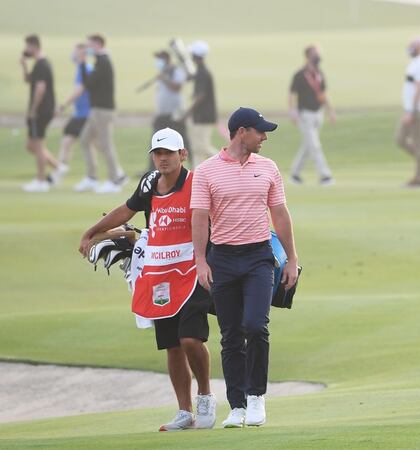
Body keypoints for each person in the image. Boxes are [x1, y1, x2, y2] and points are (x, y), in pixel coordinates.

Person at [77, 128, 216, 431]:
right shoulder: (149, 183)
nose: (162, 158)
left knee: (190, 338)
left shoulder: (197, 183)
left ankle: (205, 394)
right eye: (157, 153)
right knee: (172, 346)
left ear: (183, 154)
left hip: (193, 272)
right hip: (159, 273)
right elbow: (126, 210)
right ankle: (184, 410)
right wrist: (91, 231)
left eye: (168, 153)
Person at [191, 107, 299, 428]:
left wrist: (292, 258)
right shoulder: (206, 171)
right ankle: (236, 406)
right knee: (231, 335)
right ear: (241, 132)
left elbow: (279, 214)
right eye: (260, 132)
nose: (264, 137)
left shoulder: (267, 168)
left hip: (258, 258)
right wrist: (200, 260)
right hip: (222, 259)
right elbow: (199, 218)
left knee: (255, 325)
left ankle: (256, 397)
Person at [74, 33, 128, 194]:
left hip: (104, 110)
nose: (88, 48)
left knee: (106, 144)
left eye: (90, 44)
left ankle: (115, 180)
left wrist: (83, 63)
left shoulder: (103, 61)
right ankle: (92, 177)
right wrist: (84, 64)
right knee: (85, 140)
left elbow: (88, 84)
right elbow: (88, 83)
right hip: (95, 109)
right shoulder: (98, 61)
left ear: (98, 44)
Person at [288, 45, 335, 185]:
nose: (318, 57)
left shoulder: (319, 74)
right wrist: (292, 112)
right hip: (305, 114)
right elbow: (291, 94)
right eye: (315, 54)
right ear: (308, 56)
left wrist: (330, 111)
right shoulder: (300, 75)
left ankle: (295, 174)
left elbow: (324, 94)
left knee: (308, 145)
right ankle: (325, 175)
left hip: (318, 114)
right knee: (314, 145)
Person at [20, 34, 59, 193]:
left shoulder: (43, 64)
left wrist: (34, 109)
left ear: (34, 46)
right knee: (31, 145)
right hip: (40, 109)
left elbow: (40, 88)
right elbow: (29, 81)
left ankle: (41, 181)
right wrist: (23, 65)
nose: (25, 49)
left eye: (27, 46)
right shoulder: (37, 64)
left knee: (38, 144)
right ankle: (58, 167)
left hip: (41, 110)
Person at [396, 36, 420, 187]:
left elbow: (419, 88)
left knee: (419, 144)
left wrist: (411, 111)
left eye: (413, 46)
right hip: (411, 108)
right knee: (400, 139)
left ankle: (419, 178)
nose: (410, 48)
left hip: (418, 109)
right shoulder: (415, 62)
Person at [53, 43, 92, 183]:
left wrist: (62, 106)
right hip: (80, 113)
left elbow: (79, 90)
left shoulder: (85, 69)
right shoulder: (81, 69)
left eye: (76, 52)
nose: (73, 55)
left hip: (85, 114)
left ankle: (114, 175)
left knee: (96, 145)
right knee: (68, 142)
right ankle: (58, 174)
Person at [146, 50, 190, 171]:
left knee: (183, 140)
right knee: (156, 141)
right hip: (162, 114)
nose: (157, 62)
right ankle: (151, 169)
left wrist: (164, 78)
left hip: (175, 114)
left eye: (159, 59)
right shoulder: (163, 71)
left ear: (166, 58)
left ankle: (191, 166)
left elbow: (177, 87)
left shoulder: (176, 70)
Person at [183, 40, 218, 167]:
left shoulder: (203, 72)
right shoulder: (200, 72)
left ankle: (229, 162)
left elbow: (201, 96)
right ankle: (197, 175)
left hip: (204, 116)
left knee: (202, 147)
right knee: (197, 149)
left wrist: (188, 112)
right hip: (201, 116)